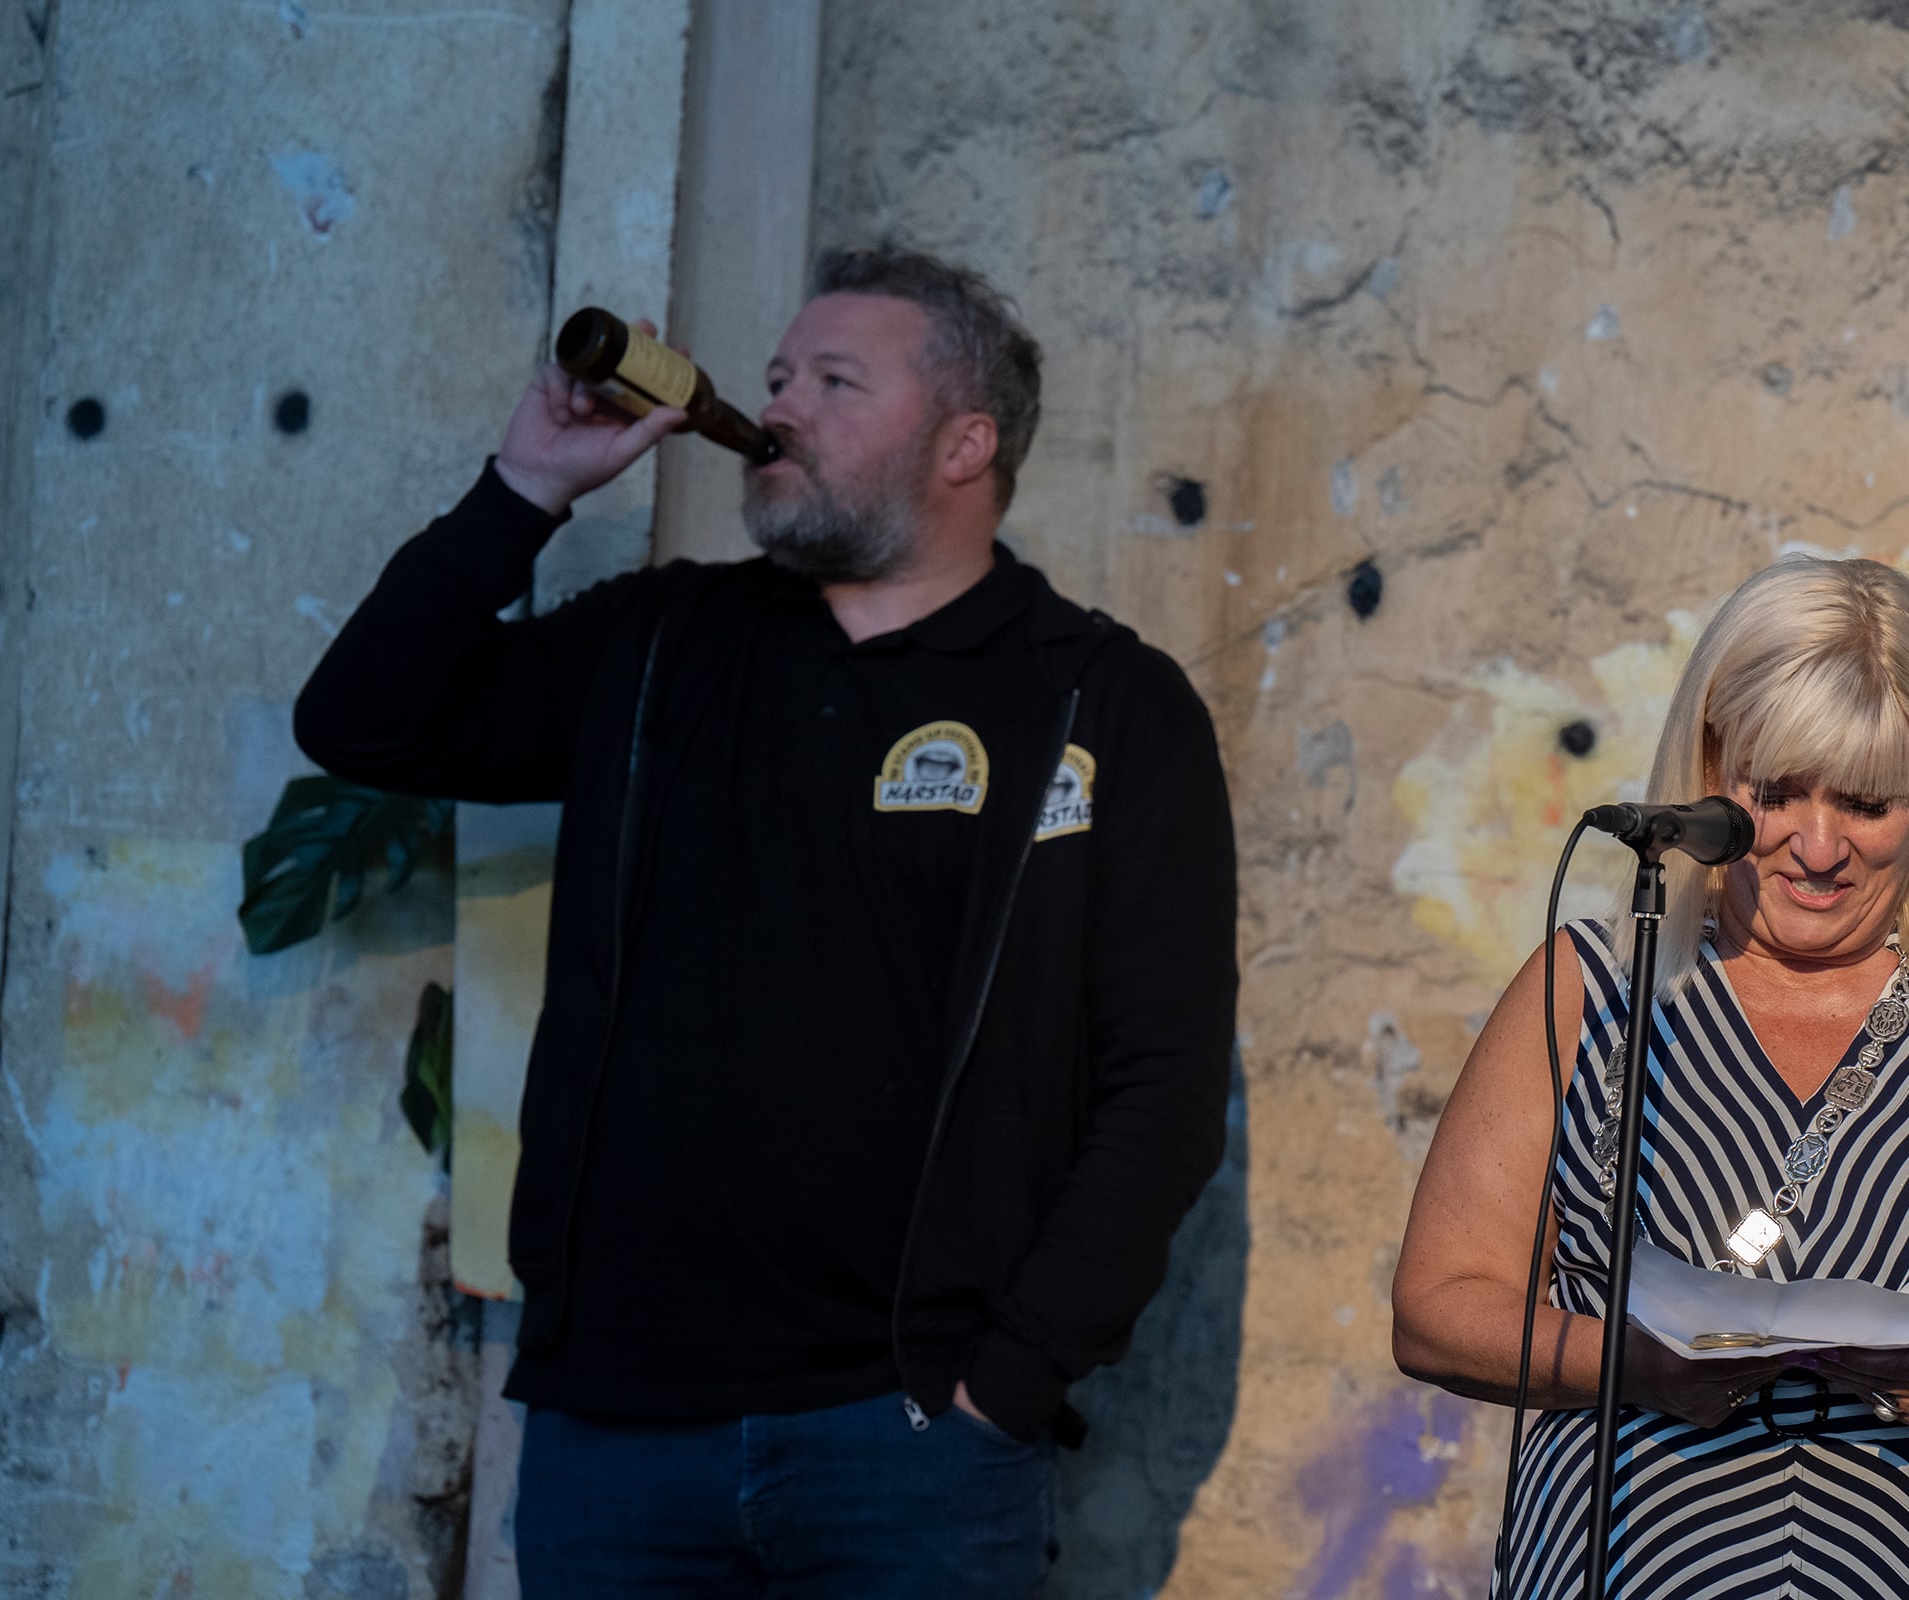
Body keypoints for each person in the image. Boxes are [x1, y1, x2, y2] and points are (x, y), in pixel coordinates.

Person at [294, 247, 1238, 1596]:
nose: (781, 405)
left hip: (915, 1442)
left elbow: (1164, 1084)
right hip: (617, 1436)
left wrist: (1008, 1382)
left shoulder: (1102, 704)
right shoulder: (660, 645)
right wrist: (524, 488)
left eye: (836, 382)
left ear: (964, 443)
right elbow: (364, 720)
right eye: (781, 375)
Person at [1390, 556, 1909, 1598]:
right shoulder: (1590, 990)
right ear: (1711, 769)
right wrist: (1632, 1365)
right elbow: (1437, 1308)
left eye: (1865, 803)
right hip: (1622, 1562)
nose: (1817, 846)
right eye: (1775, 795)